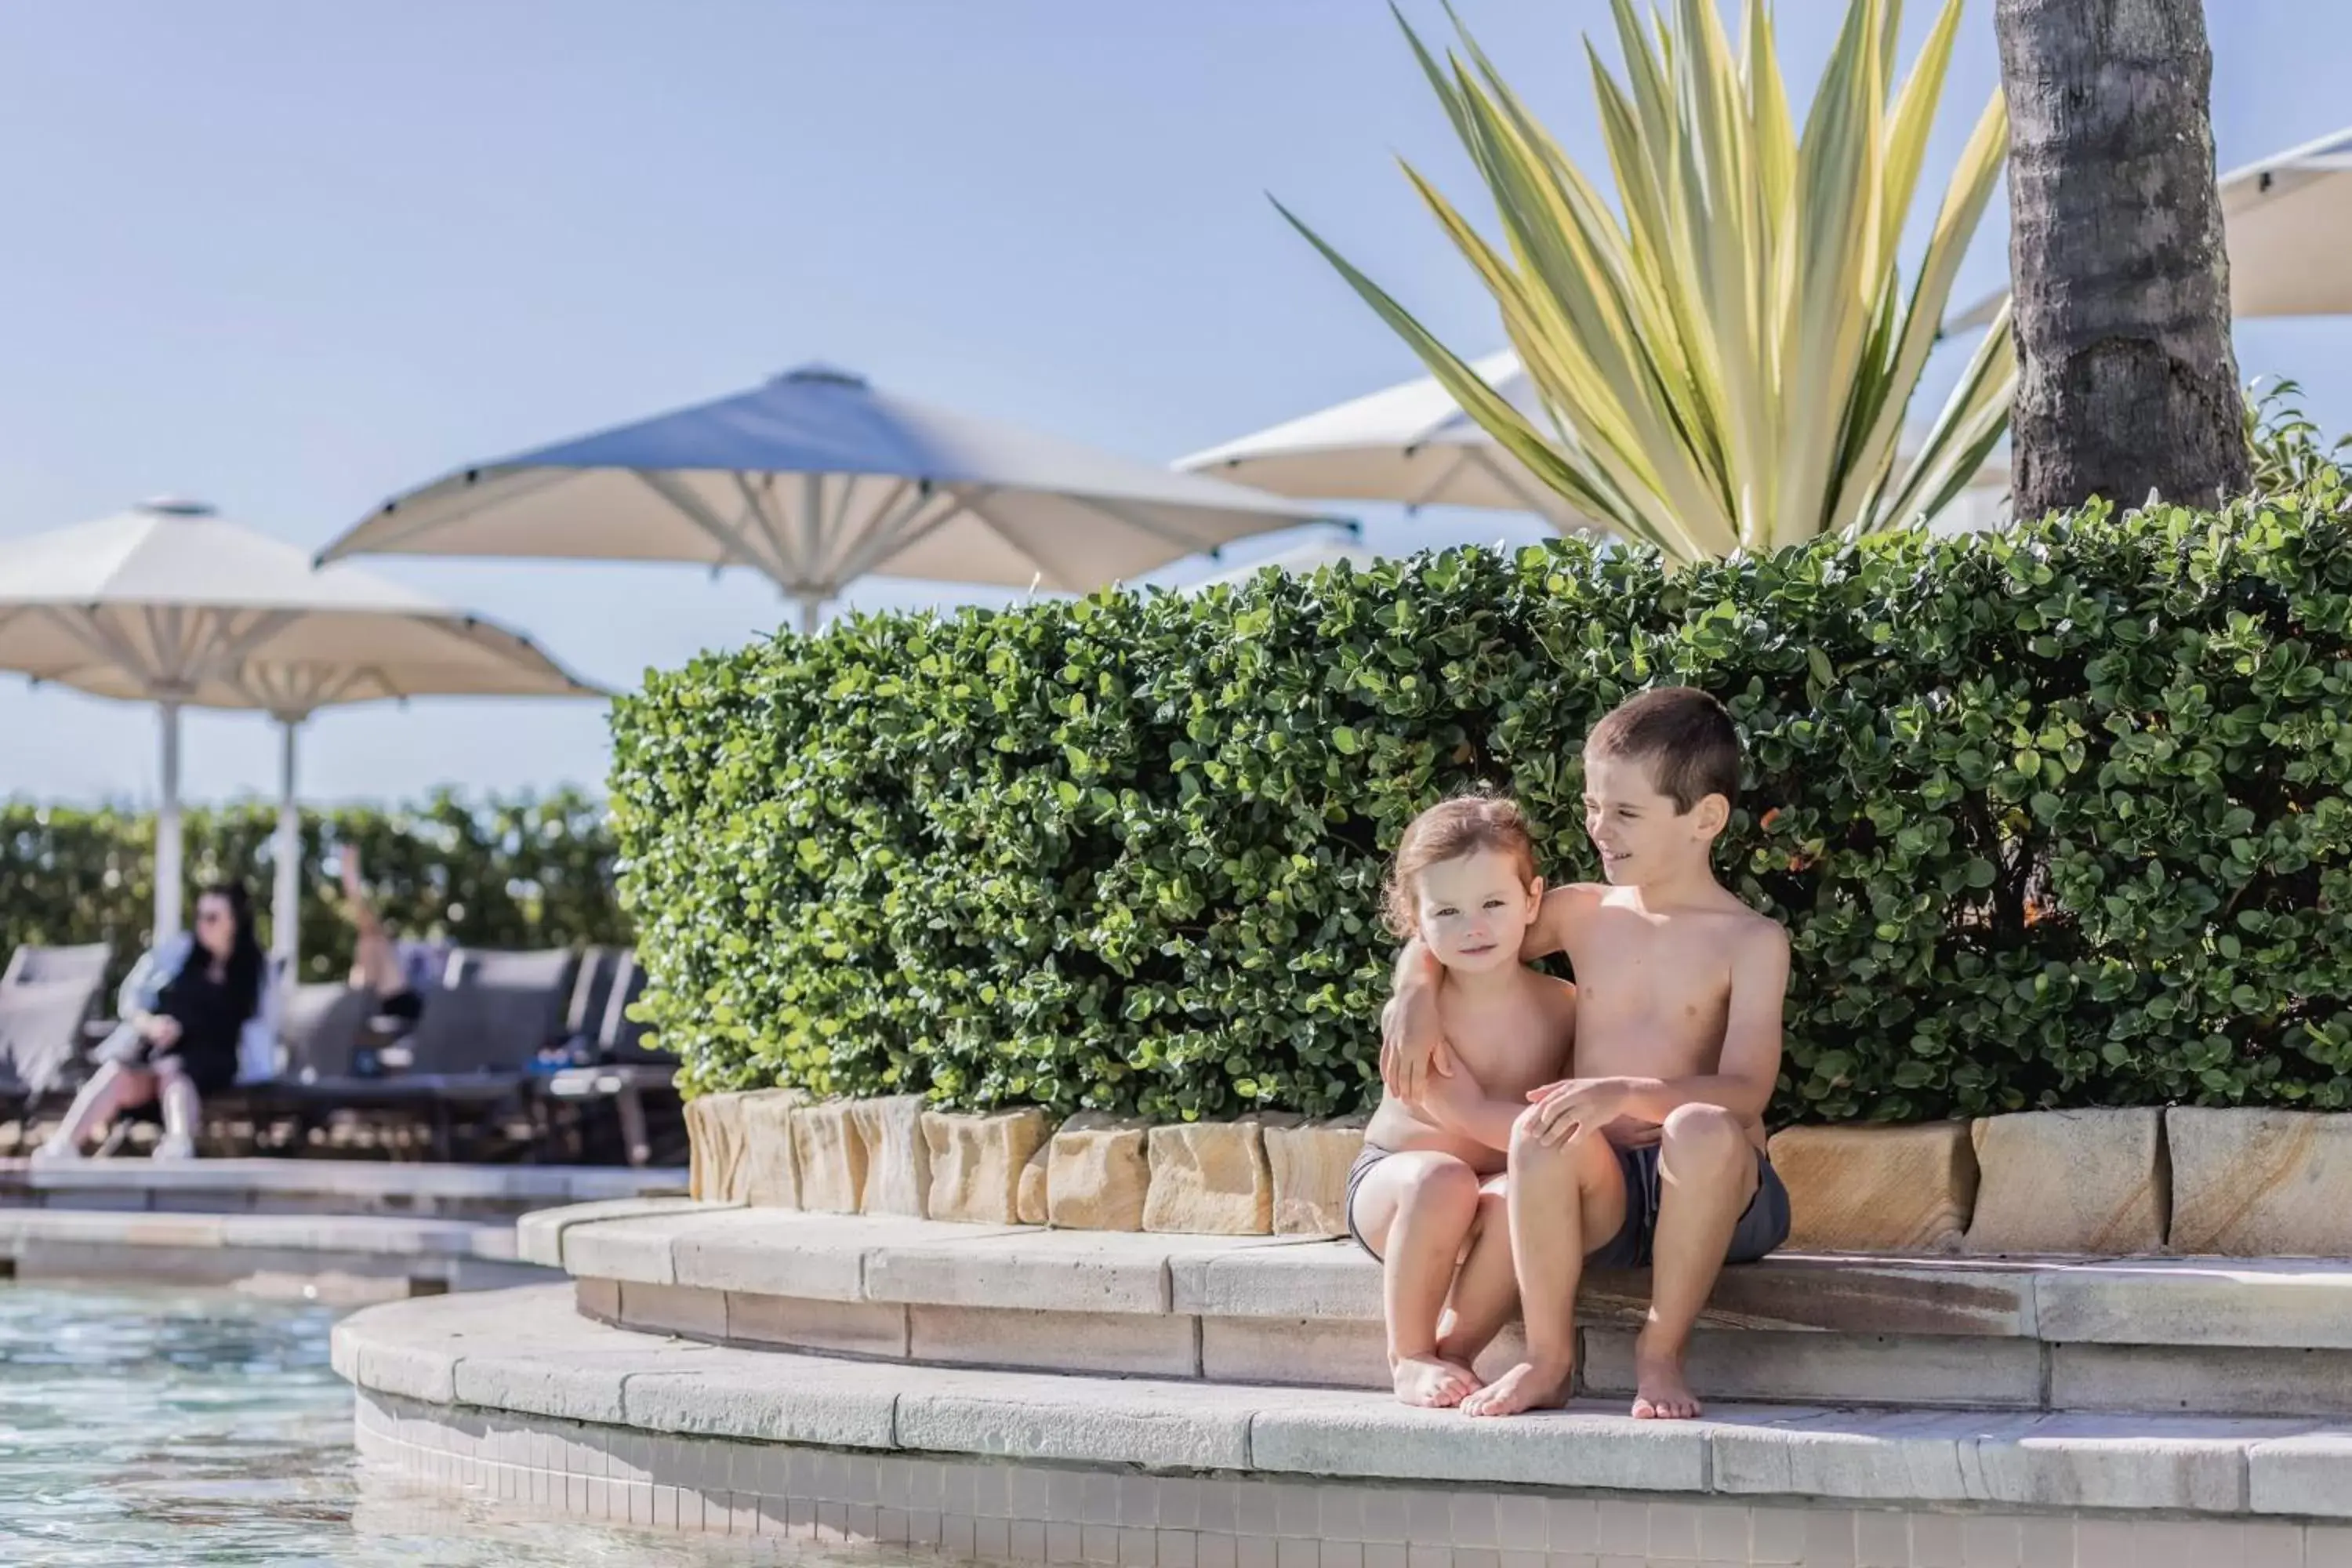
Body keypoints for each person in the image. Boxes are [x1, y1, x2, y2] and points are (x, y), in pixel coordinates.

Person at [1381, 686, 1791, 1421]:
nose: (1601, 829)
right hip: (1607, 1193)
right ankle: (1548, 1361)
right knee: (1538, 1130)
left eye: (1626, 812)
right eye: (1593, 807)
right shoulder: (1582, 910)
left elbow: (1746, 1091)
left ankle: (1659, 1356)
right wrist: (1411, 990)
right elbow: (1458, 927)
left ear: (1706, 818)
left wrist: (1626, 1093)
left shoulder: (1752, 941)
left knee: (1697, 1126)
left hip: (1716, 1187)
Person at [1347, 793, 1577, 1407]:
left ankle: (1454, 1352)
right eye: (1446, 911)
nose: (1473, 926)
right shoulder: (1419, 1017)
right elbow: (1472, 1117)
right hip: (1399, 1191)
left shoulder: (1563, 1006)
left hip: (1493, 1185)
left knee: (1514, 1198)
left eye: (1494, 903)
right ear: (1414, 920)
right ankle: (1409, 1355)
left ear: (1533, 900)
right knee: (1444, 1176)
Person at [35, 882, 277, 1162]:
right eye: (200, 916)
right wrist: (151, 1024)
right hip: (160, 1049)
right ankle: (63, 1146)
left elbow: (261, 1029)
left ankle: (178, 1144)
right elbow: (132, 998)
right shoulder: (179, 953)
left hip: (214, 1058)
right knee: (119, 1072)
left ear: (234, 922)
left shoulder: (256, 971)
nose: (203, 925)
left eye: (212, 917)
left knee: (174, 1072)